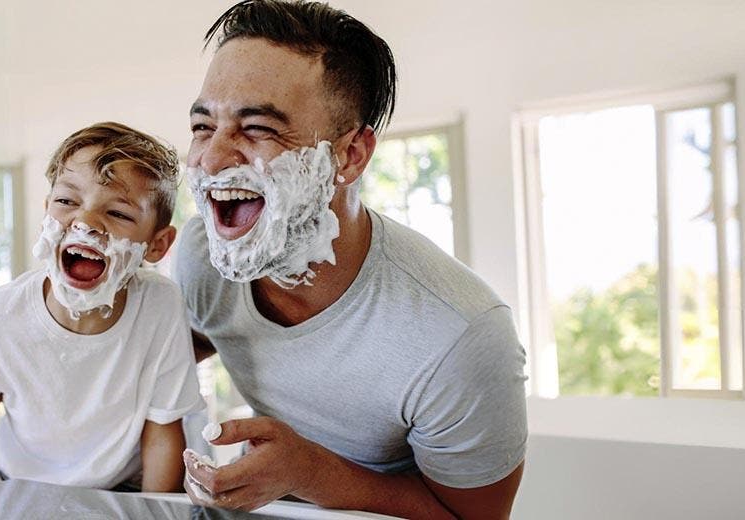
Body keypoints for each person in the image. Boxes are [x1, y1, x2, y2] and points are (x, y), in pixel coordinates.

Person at [173, 1, 528, 518]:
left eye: (259, 129)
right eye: (203, 126)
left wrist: (309, 474)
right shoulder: (203, 258)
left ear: (351, 155)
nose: (210, 158)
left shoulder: (460, 335)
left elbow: (474, 518)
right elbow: (160, 353)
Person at [0, 122, 205, 492]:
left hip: (121, 486)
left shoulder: (159, 305)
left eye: (119, 214)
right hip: (18, 479)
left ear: (156, 245)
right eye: (66, 201)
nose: (86, 222)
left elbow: (162, 434)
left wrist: (155, 510)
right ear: (46, 214)